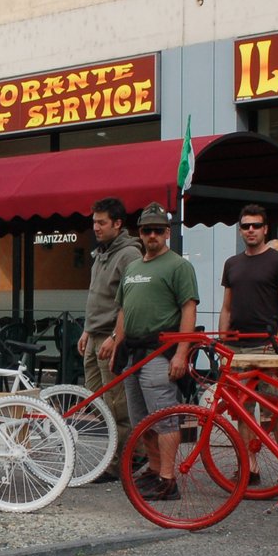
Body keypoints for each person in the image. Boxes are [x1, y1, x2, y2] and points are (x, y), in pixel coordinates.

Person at [109, 202, 199, 501]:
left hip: (160, 351)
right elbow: (123, 310)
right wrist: (116, 346)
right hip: (133, 351)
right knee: (142, 420)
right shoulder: (133, 267)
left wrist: (181, 353)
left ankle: (168, 479)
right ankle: (154, 470)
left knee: (163, 418)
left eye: (158, 230)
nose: (152, 235)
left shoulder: (178, 265)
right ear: (140, 232)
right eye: (147, 230)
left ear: (167, 233)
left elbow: (189, 308)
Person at [220, 203, 278, 482]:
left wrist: (277, 346)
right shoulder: (232, 263)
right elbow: (226, 308)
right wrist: (222, 345)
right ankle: (249, 468)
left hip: (266, 346)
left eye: (256, 225)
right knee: (242, 409)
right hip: (237, 346)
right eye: (245, 226)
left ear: (265, 229)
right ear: (240, 229)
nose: (250, 230)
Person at [78, 197, 141, 483]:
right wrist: (87, 330)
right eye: (94, 222)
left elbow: (130, 302)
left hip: (111, 337)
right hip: (95, 335)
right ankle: (114, 457)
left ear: (118, 223)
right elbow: (97, 295)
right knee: (98, 401)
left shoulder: (129, 254)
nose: (96, 227)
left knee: (116, 404)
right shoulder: (102, 252)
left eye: (102, 222)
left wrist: (116, 337)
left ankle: (123, 461)